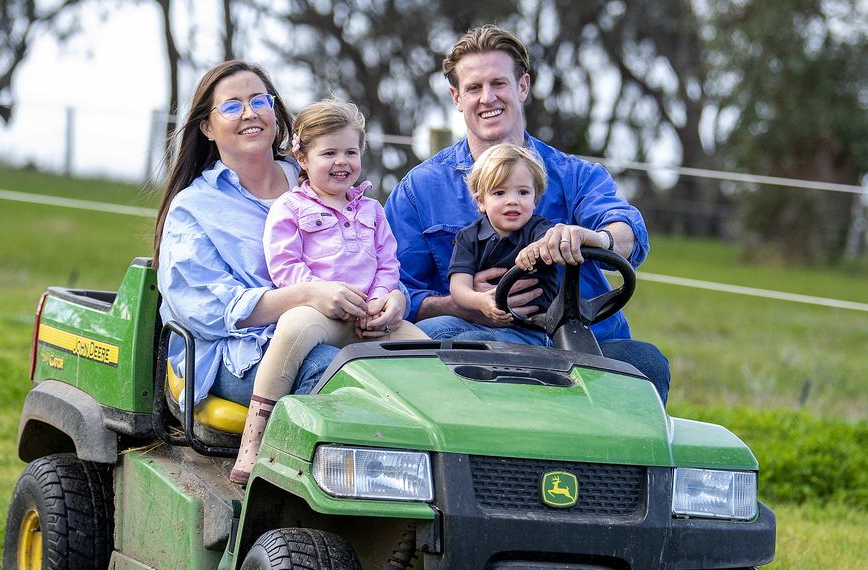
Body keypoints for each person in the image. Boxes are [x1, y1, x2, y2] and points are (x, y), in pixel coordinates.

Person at [385, 25, 670, 404]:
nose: (488, 98)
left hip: (584, 341)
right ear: (456, 97)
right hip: (477, 342)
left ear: (522, 86)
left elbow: (626, 229)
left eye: (499, 83)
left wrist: (594, 239)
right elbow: (398, 288)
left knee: (646, 363)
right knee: (439, 334)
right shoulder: (419, 191)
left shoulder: (574, 175)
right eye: (474, 88)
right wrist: (469, 304)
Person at [154, 61, 406, 476]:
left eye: (259, 100)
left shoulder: (320, 175)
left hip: (346, 322)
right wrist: (309, 295)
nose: (250, 112)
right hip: (244, 351)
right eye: (232, 106)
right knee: (341, 376)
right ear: (206, 127)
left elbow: (376, 256)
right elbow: (204, 309)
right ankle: (349, 501)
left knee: (439, 346)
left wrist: (392, 298)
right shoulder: (194, 208)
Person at [232, 100, 426, 482]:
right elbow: (285, 265)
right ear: (302, 157)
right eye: (330, 152)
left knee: (425, 351)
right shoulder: (290, 207)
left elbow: (388, 263)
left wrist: (384, 299)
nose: (342, 161)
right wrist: (318, 293)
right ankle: (254, 439)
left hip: (367, 317)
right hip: (319, 313)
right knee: (291, 330)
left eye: (350, 152)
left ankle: (422, 445)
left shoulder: (372, 210)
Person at [448, 142, 610, 346]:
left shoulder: (538, 229)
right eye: (499, 193)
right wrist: (480, 302)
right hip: (478, 321)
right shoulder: (467, 237)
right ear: (481, 201)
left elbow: (550, 239)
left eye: (523, 192)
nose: (512, 201)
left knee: (468, 343)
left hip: (531, 328)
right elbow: (458, 288)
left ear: (535, 200)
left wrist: (537, 248)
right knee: (432, 330)